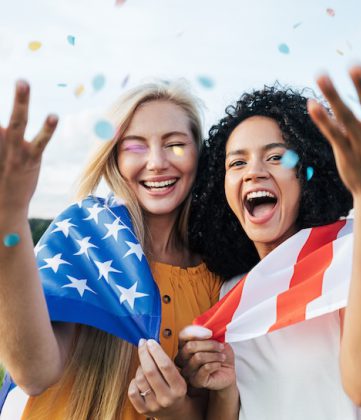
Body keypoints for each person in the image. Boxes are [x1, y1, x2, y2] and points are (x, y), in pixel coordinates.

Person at [177, 61, 361, 419]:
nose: (255, 171)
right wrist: (225, 388)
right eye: (236, 163)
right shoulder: (229, 295)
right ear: (220, 187)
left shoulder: (350, 259)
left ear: (308, 173)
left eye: (276, 157)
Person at [0, 80, 222, 419]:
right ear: (114, 157)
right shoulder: (84, 237)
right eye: (135, 147)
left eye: (176, 145)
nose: (157, 162)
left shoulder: (216, 277)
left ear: (199, 153)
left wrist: (176, 408)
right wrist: (10, 217)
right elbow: (33, 373)